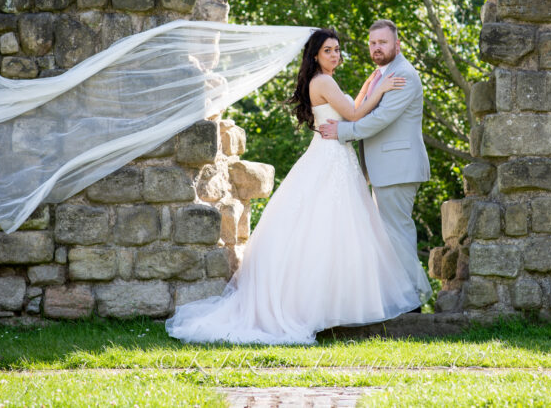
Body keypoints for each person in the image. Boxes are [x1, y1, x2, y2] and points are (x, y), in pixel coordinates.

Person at [165, 28, 423, 344]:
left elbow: (347, 109)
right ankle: (331, 303)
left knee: (333, 228)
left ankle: (336, 301)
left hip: (332, 155)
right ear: (315, 55)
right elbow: (354, 114)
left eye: (337, 49)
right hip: (331, 156)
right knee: (332, 227)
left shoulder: (323, 80)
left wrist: (370, 86)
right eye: (328, 50)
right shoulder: (324, 81)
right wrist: (380, 89)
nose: (335, 54)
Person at [318, 20, 432, 306]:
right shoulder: (382, 74)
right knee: (387, 235)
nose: (377, 47)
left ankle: (413, 301)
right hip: (385, 169)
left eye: (383, 42)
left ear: (397, 45)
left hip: (398, 167)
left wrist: (342, 133)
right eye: (372, 43)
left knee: (397, 234)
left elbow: (380, 120)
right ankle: (401, 298)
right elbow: (359, 109)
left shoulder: (403, 75)